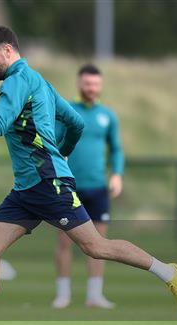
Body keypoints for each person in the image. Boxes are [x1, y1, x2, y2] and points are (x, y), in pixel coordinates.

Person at [0, 26, 177, 325]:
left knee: (95, 247)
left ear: (8, 51)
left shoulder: (17, 80)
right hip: (27, 188)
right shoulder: (41, 82)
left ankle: (169, 273)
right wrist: (63, 150)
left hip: (48, 183)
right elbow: (76, 124)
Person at [52, 64, 124, 309]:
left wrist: (117, 175)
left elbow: (116, 149)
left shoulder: (107, 116)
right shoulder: (67, 112)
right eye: (87, 83)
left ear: (100, 85)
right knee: (64, 242)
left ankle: (95, 295)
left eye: (95, 84)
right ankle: (63, 295)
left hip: (97, 188)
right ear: (79, 84)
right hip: (68, 187)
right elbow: (54, 142)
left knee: (100, 243)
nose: (91, 88)